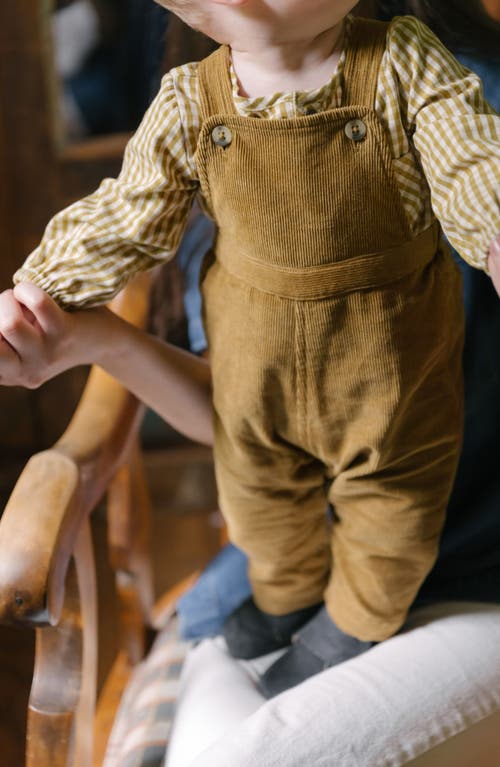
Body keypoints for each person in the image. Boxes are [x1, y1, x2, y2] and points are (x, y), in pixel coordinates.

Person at [1, 0, 499, 700]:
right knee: (260, 503)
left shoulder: (404, 62)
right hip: (251, 385)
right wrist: (38, 297)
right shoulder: (189, 101)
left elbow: (472, 159)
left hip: (389, 390)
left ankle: (358, 619)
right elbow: (126, 216)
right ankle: (285, 594)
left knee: (394, 511)